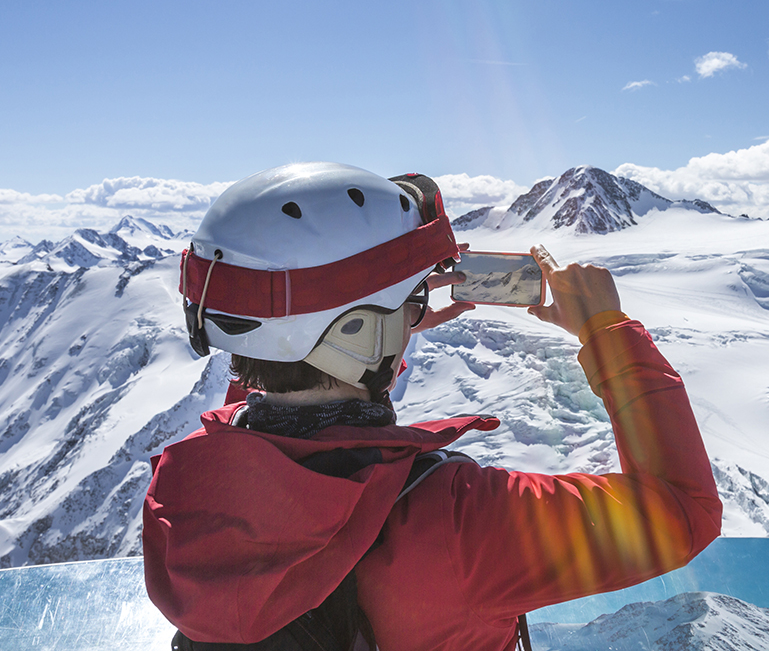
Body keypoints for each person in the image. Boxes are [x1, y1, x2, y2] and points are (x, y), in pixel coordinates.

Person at [143, 162, 722, 651]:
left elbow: (270, 417)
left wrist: (378, 332)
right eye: (410, 301)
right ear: (355, 332)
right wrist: (607, 330)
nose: (416, 311)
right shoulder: (464, 522)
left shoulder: (185, 487)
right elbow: (682, 508)